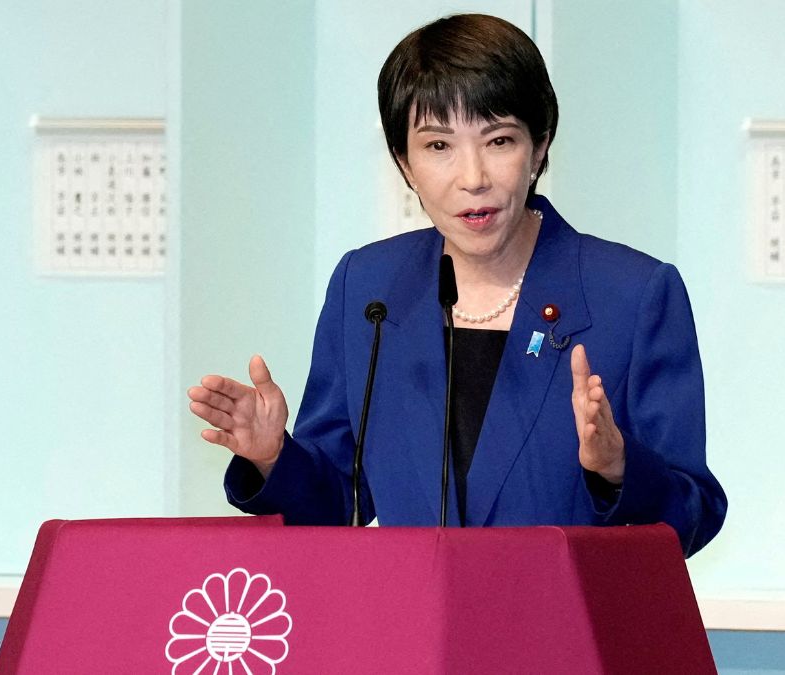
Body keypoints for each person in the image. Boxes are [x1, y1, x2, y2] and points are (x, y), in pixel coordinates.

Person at [186, 14, 726, 556]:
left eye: (498, 140)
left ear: (538, 148)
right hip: (412, 630)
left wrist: (619, 468)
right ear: (405, 163)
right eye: (439, 146)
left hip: (563, 634)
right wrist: (272, 456)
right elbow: (340, 503)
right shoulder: (369, 289)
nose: (473, 177)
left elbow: (696, 512)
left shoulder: (632, 295)